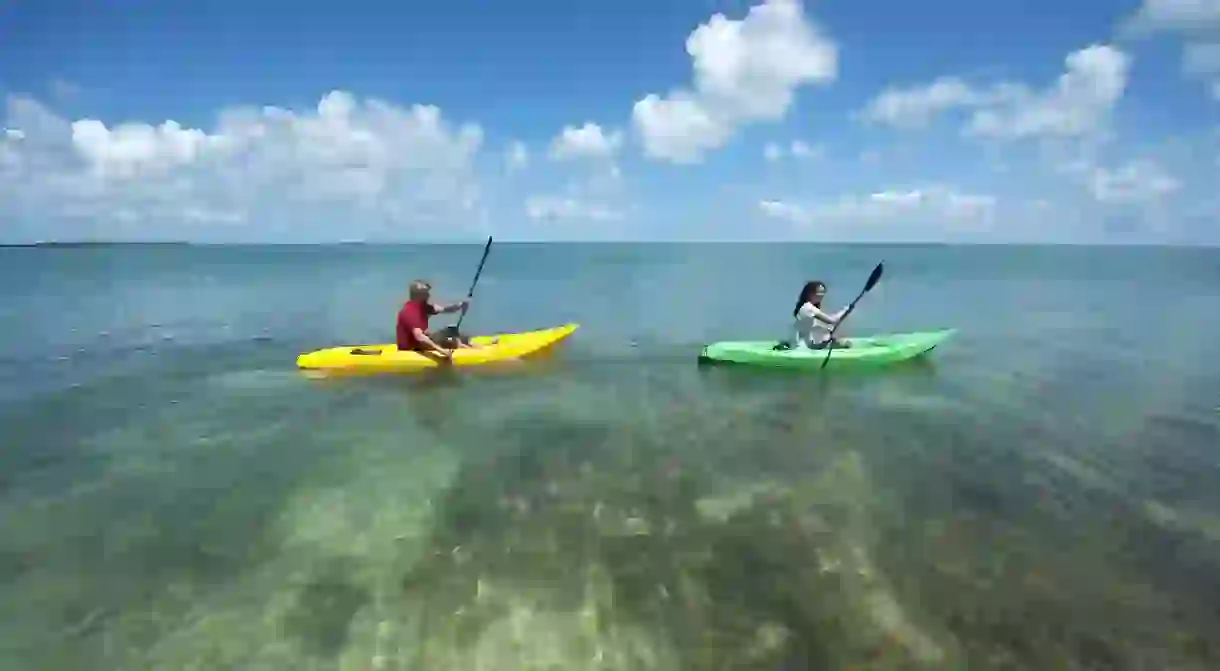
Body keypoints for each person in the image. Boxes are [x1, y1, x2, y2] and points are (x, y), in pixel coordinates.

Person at [395, 279, 478, 358]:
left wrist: (461, 305)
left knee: (452, 330)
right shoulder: (410, 312)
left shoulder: (423, 307)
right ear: (418, 295)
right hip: (411, 348)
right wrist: (442, 351)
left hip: (418, 343)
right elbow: (419, 337)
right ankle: (467, 350)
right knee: (450, 339)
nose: (429, 295)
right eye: (426, 293)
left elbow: (446, 309)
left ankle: (466, 345)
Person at [791, 279, 852, 349]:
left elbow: (825, 321)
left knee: (829, 331)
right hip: (810, 345)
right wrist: (845, 310)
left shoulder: (806, 306)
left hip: (808, 342)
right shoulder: (808, 307)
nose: (821, 295)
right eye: (818, 292)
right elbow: (832, 320)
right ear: (809, 293)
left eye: (823, 292)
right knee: (846, 344)